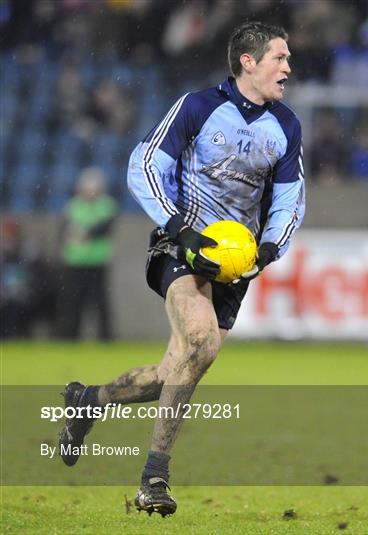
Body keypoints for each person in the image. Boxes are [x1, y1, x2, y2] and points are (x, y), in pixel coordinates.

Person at [58, 22, 305, 517]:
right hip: (182, 248)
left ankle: (88, 400)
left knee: (174, 371)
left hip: (236, 266)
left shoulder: (287, 125)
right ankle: (154, 478)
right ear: (248, 62)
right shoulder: (197, 106)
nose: (288, 67)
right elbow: (144, 165)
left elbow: (290, 196)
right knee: (203, 342)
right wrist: (179, 227)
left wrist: (273, 244)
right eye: (279, 57)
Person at [56, 167, 117, 340]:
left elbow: (104, 227)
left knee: (100, 303)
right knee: (72, 302)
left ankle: (105, 338)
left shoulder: (107, 204)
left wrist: (85, 233)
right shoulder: (72, 206)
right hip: (74, 261)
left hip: (97, 261)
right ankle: (69, 337)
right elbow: (63, 231)